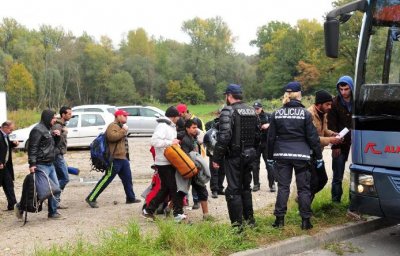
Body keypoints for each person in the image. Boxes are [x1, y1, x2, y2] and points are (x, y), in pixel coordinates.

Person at [267, 82, 322, 230]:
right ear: (299, 94)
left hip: (281, 155)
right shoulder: (305, 114)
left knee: (283, 187)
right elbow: (313, 138)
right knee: (303, 189)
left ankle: (279, 221)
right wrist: (319, 156)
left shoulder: (276, 113)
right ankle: (305, 221)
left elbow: (271, 137)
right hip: (301, 156)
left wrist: (269, 157)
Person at [212, 84, 259, 229]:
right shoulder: (252, 110)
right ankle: (250, 221)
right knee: (246, 188)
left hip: (234, 156)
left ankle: (237, 227)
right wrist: (253, 152)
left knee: (233, 190)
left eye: (226, 95)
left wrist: (216, 158)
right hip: (250, 155)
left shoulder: (228, 110)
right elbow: (258, 134)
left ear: (229, 95)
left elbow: (224, 136)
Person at [86, 109, 141, 208]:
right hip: (115, 159)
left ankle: (130, 198)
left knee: (127, 179)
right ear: (118, 116)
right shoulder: (113, 126)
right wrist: (124, 130)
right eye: (124, 115)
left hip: (123, 159)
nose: (126, 117)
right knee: (106, 179)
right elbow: (112, 137)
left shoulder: (120, 126)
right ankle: (91, 198)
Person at [142, 106, 186, 222]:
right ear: (173, 116)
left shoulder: (169, 126)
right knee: (174, 188)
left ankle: (148, 210)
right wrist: (171, 142)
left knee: (165, 189)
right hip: (163, 162)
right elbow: (154, 141)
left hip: (167, 161)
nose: (178, 119)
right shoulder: (163, 126)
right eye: (177, 117)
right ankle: (178, 214)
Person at [24, 110, 63, 219]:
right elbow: (32, 148)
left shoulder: (48, 129)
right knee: (38, 192)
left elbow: (52, 146)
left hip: (50, 164)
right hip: (41, 165)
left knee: (56, 189)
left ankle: (53, 212)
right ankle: (21, 207)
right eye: (53, 118)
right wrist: (32, 164)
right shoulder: (37, 130)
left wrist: (57, 137)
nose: (55, 120)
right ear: (47, 118)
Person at [307, 90, 342, 201]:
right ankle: (305, 207)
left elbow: (324, 130)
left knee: (323, 180)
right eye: (327, 104)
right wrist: (331, 140)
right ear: (319, 104)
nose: (330, 107)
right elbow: (312, 139)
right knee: (313, 182)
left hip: (318, 153)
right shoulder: (309, 115)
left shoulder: (323, 113)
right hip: (308, 153)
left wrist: (333, 134)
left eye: (330, 104)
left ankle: (303, 197)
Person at [328, 76, 353, 204]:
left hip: (357, 142)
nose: (343, 92)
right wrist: (335, 146)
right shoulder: (334, 103)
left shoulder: (358, 101)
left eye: (346, 89)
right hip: (340, 142)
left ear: (351, 88)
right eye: (341, 89)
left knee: (358, 173)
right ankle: (335, 201)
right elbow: (331, 125)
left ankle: (355, 201)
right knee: (337, 174)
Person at [176, 103, 205, 210]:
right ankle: (184, 201)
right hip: (185, 155)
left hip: (196, 153)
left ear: (185, 111)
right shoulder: (179, 122)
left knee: (197, 180)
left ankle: (196, 201)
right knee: (184, 181)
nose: (179, 116)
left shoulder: (197, 120)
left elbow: (202, 136)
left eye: (181, 113)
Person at [180, 119, 210, 220]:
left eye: (196, 127)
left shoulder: (193, 137)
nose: (195, 129)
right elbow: (186, 157)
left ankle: (206, 215)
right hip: (190, 170)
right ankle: (206, 215)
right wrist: (194, 169)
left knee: (198, 191)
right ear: (187, 128)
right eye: (193, 127)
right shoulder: (185, 140)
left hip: (194, 169)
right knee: (182, 191)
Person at [251, 101, 275, 192]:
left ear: (261, 108)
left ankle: (272, 184)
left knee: (269, 164)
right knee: (254, 165)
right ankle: (256, 184)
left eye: (257, 108)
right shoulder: (251, 117)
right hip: (255, 144)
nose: (256, 110)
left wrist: (268, 125)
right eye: (254, 108)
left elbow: (277, 125)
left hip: (266, 144)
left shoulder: (269, 116)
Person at [52, 106, 72, 209]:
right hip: (57, 155)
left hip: (59, 155)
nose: (71, 115)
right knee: (64, 178)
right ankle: (53, 199)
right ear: (63, 114)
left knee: (59, 178)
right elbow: (55, 141)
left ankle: (55, 201)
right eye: (69, 113)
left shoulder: (62, 125)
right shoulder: (58, 125)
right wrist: (64, 132)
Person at [205, 108, 225, 198]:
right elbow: (208, 138)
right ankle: (214, 190)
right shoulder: (210, 124)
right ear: (217, 114)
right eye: (220, 113)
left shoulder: (228, 124)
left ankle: (220, 188)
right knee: (214, 171)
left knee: (222, 171)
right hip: (213, 151)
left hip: (224, 151)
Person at [0, 121, 19, 211]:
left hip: (5, 165)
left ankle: (13, 205)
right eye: (10, 129)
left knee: (9, 184)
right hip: (0, 165)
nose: (11, 131)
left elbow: (5, 146)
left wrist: (13, 144)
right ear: (5, 127)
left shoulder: (5, 135)